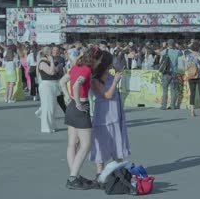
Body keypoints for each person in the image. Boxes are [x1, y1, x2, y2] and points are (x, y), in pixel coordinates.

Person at [59, 47, 103, 190]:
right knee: (86, 145)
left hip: (71, 106)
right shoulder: (86, 70)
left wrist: (67, 95)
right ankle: (72, 178)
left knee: (72, 143)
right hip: (79, 106)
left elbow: (62, 81)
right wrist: (78, 102)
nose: (99, 63)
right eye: (99, 61)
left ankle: (75, 175)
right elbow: (77, 84)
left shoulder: (76, 67)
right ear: (94, 59)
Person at [90, 51, 131, 177]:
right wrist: (115, 82)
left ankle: (119, 167)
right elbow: (107, 95)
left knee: (116, 139)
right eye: (110, 63)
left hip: (115, 112)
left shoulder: (110, 74)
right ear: (106, 64)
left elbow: (118, 68)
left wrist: (116, 67)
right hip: (104, 113)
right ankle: (100, 172)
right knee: (102, 141)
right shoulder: (95, 79)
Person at [37, 46, 64, 133]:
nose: (53, 52)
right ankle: (45, 127)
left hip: (53, 85)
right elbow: (51, 72)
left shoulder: (51, 61)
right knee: (47, 107)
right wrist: (52, 62)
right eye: (51, 51)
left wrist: (54, 64)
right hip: (46, 86)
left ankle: (51, 125)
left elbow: (56, 72)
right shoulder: (42, 62)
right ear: (47, 53)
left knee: (52, 107)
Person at [185, 42, 200, 117]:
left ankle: (192, 111)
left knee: (192, 94)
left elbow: (186, 67)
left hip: (191, 76)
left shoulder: (188, 56)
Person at [160, 39, 183, 110]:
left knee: (165, 90)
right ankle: (172, 105)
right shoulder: (177, 52)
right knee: (173, 90)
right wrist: (177, 46)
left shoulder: (164, 51)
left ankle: (164, 106)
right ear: (174, 44)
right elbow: (182, 53)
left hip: (166, 72)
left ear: (167, 44)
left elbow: (160, 57)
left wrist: (164, 47)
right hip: (174, 72)